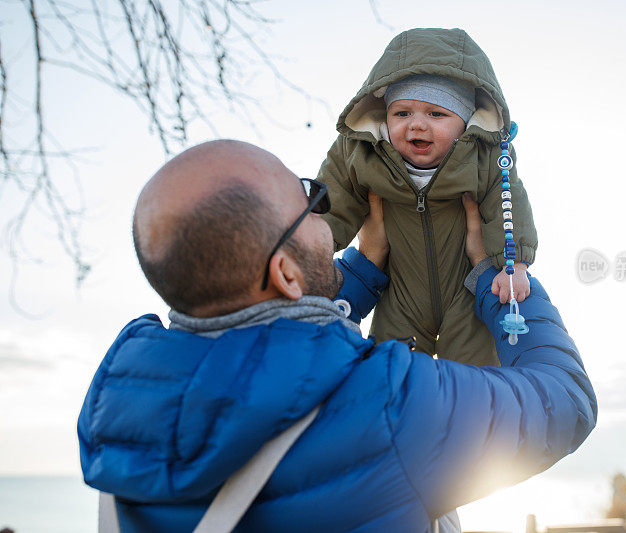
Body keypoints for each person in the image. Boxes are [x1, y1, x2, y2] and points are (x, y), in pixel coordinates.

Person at [78, 139, 596, 532]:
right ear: (284, 272)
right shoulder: (389, 406)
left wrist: (364, 268)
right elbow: (565, 400)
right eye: (308, 201)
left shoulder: (118, 409)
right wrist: (494, 277)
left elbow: (274, 350)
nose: (326, 209)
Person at [317, 27, 538, 366]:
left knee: (474, 372)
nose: (417, 125)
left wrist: (515, 264)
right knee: (391, 370)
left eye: (436, 114)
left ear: (465, 124)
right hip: (398, 290)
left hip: (464, 292)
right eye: (402, 113)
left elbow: (507, 206)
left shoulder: (486, 157)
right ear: (384, 114)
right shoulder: (363, 154)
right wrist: (309, 248)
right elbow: (333, 200)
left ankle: (471, 415)